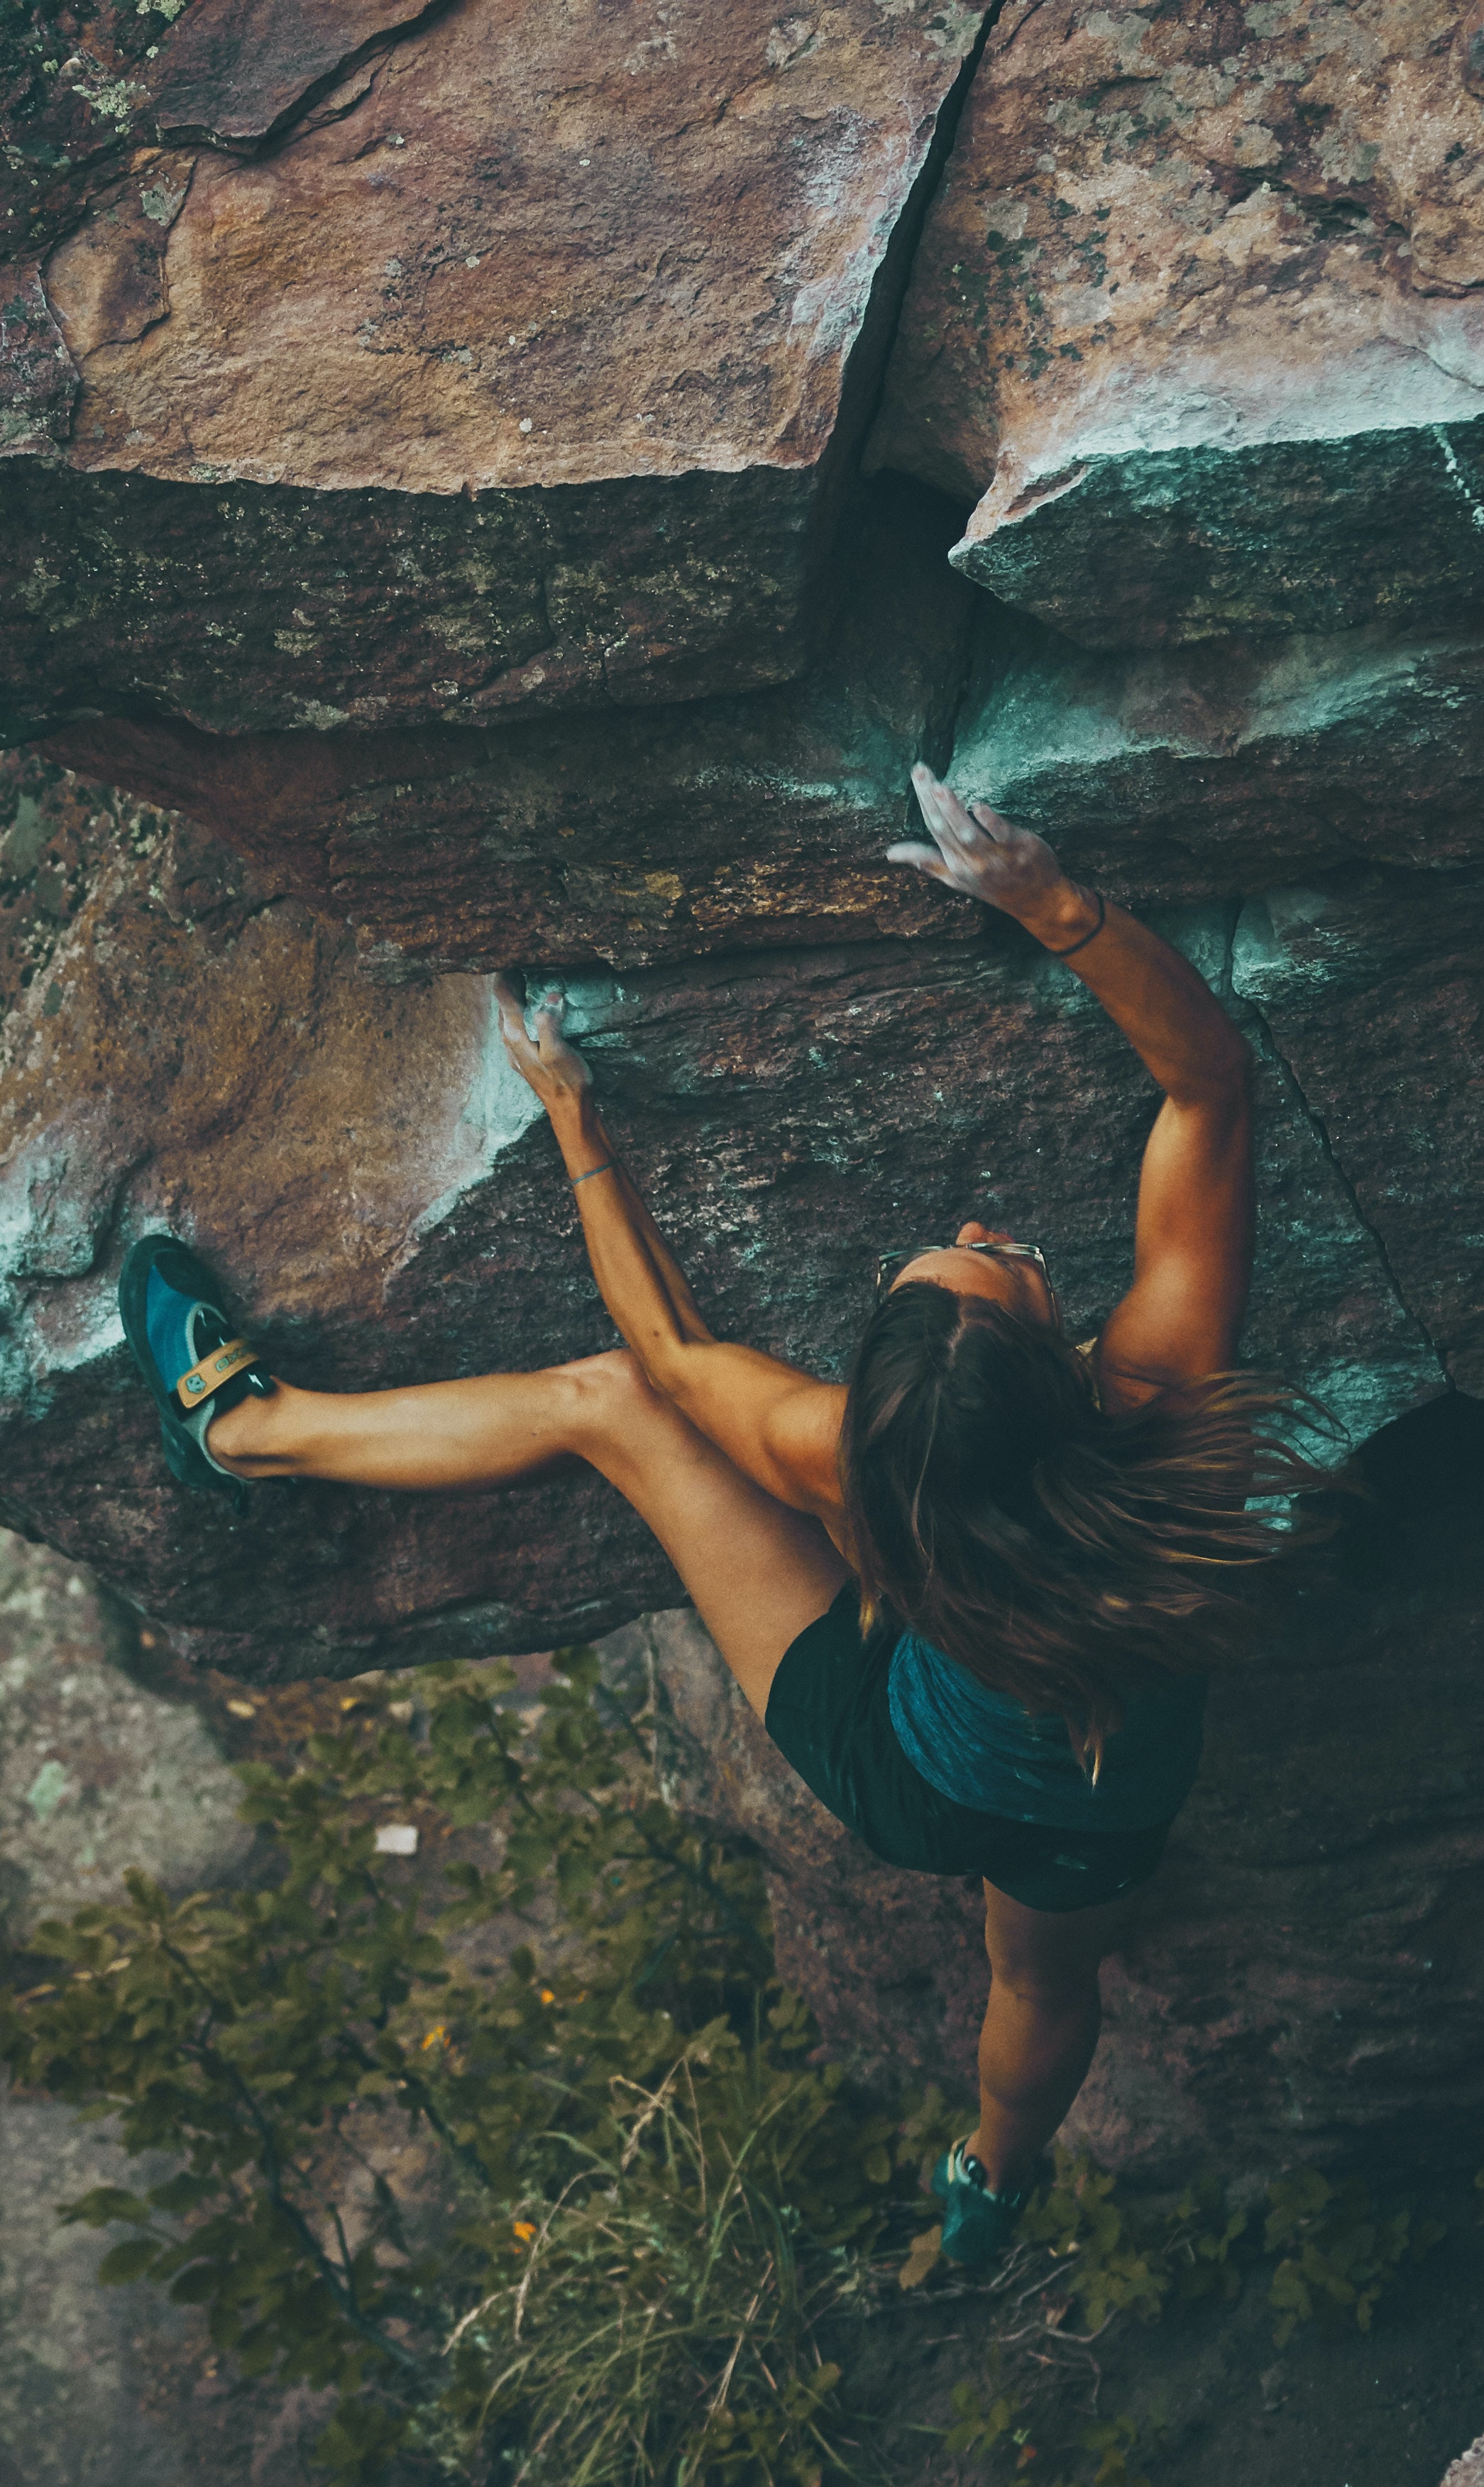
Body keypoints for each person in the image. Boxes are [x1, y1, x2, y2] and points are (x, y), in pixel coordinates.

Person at [121, 766, 1321, 2265]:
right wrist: (1050, 902)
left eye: (970, 1259)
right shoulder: (1162, 1418)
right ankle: (990, 2191)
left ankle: (247, 1431)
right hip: (1089, 1799)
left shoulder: (847, 1462)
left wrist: (572, 1117)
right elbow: (1206, 1082)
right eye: (985, 1258)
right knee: (1040, 1987)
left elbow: (668, 1362)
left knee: (610, 1406)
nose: (972, 1231)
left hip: (901, 1767)